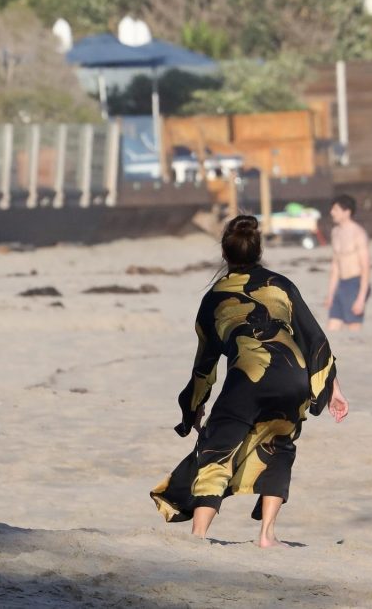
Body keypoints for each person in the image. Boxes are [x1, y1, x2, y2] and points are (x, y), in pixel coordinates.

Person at [150, 215, 349, 547]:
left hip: (248, 377)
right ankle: (267, 535)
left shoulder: (213, 299)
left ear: (225, 254)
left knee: (217, 449)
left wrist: (193, 409)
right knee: (280, 447)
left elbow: (205, 364)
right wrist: (333, 390)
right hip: (294, 378)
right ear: (259, 251)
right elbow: (314, 339)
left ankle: (199, 535)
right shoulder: (281, 285)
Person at [325, 194, 370, 332]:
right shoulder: (335, 232)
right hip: (341, 284)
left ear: (347, 212)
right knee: (331, 328)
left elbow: (366, 268)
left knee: (354, 329)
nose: (332, 212)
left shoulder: (358, 233)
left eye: (336, 210)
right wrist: (330, 294)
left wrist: (361, 298)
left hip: (355, 284)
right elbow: (335, 266)